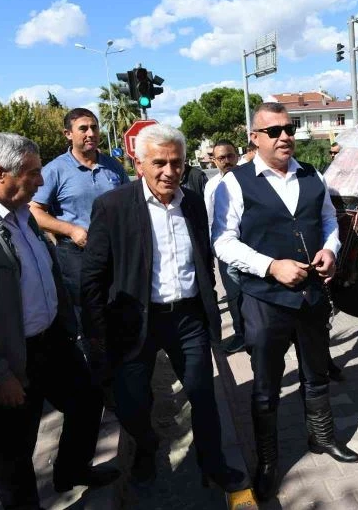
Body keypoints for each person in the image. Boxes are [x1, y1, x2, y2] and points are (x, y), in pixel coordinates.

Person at [0, 133, 117, 509]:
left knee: (88, 398)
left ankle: (71, 470)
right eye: (32, 172)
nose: (41, 180)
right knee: (14, 455)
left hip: (52, 344)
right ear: (0, 173)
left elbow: (45, 271)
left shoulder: (22, 213)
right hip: (11, 359)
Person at [81, 124, 246, 492]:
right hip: (134, 321)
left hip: (187, 318)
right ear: (139, 163)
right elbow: (92, 279)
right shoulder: (113, 206)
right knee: (134, 401)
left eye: (177, 163)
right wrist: (97, 339)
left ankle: (213, 464)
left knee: (203, 395)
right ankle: (145, 447)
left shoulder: (192, 202)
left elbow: (203, 258)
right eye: (159, 163)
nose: (169, 172)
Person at [212, 102, 358, 501]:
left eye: (289, 129)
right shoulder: (234, 182)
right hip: (264, 301)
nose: (284, 137)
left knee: (316, 373)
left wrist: (330, 249)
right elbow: (223, 241)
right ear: (254, 137)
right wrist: (270, 266)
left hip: (311, 295)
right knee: (266, 387)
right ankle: (267, 462)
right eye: (274, 131)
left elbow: (329, 220)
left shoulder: (311, 175)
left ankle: (323, 438)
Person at [29, 108, 129, 349]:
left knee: (119, 307)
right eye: (83, 128)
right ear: (68, 134)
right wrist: (71, 229)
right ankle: (96, 373)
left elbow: (129, 201)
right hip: (77, 254)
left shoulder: (112, 166)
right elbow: (34, 211)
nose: (90, 133)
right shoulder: (55, 169)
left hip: (115, 252)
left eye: (94, 127)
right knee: (87, 315)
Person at [205, 139, 246, 355]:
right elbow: (210, 219)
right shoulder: (211, 186)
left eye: (230, 156)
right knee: (233, 296)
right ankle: (241, 335)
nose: (227, 161)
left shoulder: (249, 179)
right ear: (214, 161)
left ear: (237, 156)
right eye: (221, 158)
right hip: (225, 253)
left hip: (250, 248)